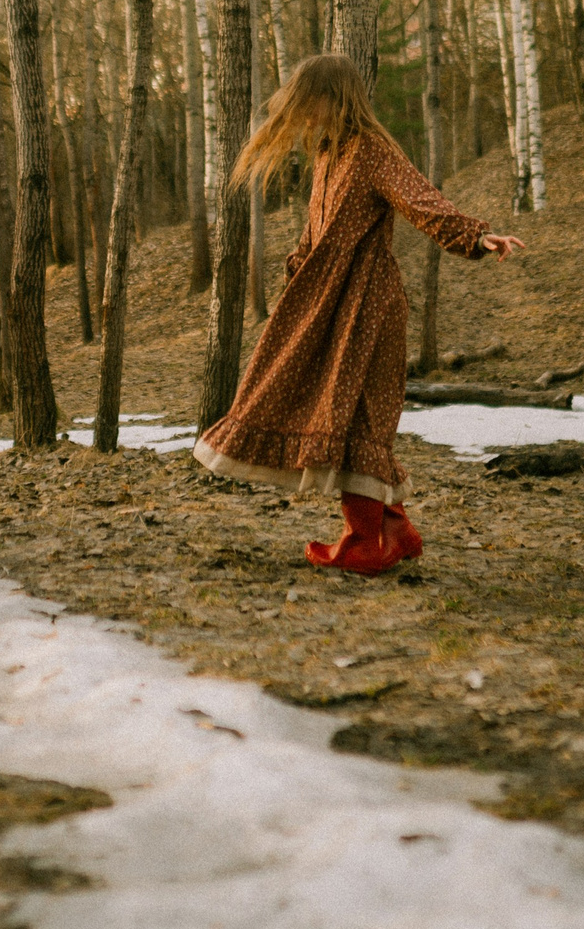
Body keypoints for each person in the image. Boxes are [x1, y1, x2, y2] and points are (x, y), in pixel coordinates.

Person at [194, 53, 523, 575]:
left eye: (310, 101)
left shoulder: (371, 149)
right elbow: (315, 228)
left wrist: (474, 236)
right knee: (339, 411)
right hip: (326, 299)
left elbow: (420, 200)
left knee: (360, 416)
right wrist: (297, 271)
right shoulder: (329, 153)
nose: (302, 113)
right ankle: (393, 529)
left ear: (335, 97)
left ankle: (365, 542)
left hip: (367, 302)